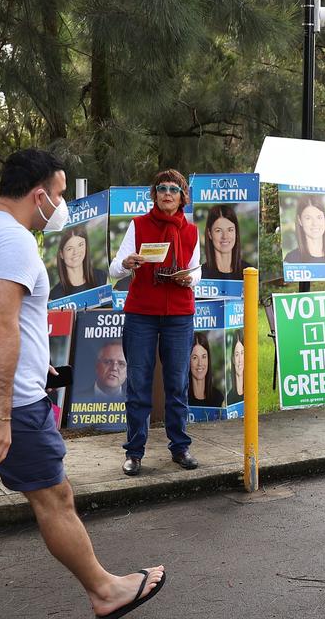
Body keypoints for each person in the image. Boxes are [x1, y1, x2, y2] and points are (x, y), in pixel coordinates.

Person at [0, 149, 165, 619]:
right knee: (55, 500)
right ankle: (105, 592)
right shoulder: (14, 242)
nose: (61, 204)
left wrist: (34, 371)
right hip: (5, 406)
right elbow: (0, 325)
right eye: (59, 194)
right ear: (39, 194)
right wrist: (1, 412)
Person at [108, 169, 203, 476]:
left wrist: (189, 279)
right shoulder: (138, 225)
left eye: (173, 189)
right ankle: (134, 453)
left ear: (182, 196)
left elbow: (196, 269)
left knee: (177, 384)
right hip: (142, 315)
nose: (167, 193)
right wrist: (126, 263)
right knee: (138, 384)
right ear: (154, 194)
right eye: (161, 188)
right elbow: (114, 268)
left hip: (178, 315)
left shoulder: (191, 231)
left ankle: (180, 448)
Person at [48, 226, 108, 300]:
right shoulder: (55, 295)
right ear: (61, 254)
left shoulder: (101, 277)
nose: (76, 252)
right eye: (69, 249)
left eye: (80, 245)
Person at [283, 194, 325, 264]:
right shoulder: (291, 260)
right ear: (300, 221)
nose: (315, 223)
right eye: (308, 218)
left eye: (319, 217)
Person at [201, 204, 252, 280]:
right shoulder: (200, 275)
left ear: (236, 232)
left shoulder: (249, 273)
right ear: (209, 234)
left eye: (230, 230)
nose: (225, 236)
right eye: (218, 230)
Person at [188, 334, 223, 406]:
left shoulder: (218, 397)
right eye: (195, 357)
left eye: (204, 357)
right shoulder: (181, 398)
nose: (200, 363)